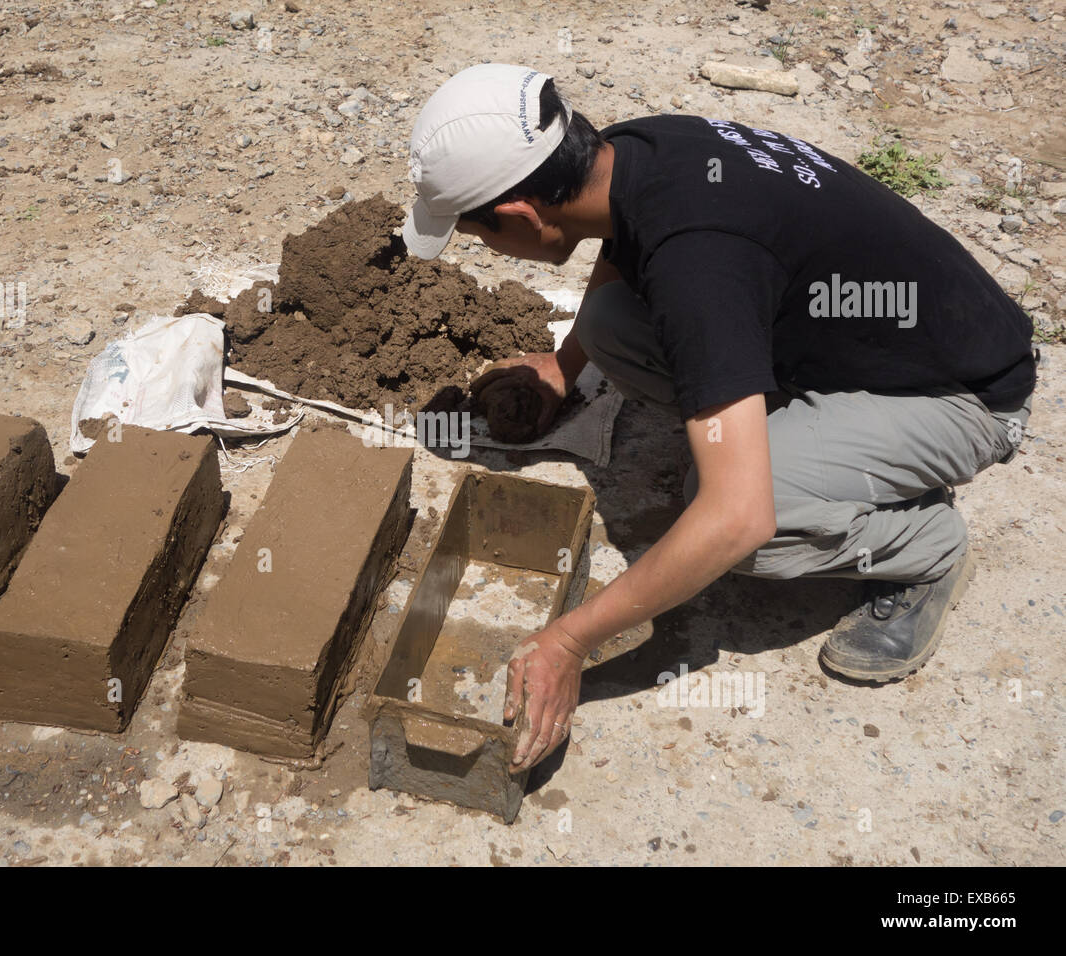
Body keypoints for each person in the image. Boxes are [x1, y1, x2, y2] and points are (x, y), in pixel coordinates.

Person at [402, 63, 1036, 771]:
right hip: (867, 347)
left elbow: (739, 519)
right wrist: (564, 365)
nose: (484, 247)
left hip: (965, 399)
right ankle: (798, 444)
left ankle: (927, 548)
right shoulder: (639, 151)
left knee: (734, 521)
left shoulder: (700, 262)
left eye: (476, 233)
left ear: (520, 215)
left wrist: (568, 641)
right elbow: (627, 250)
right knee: (611, 323)